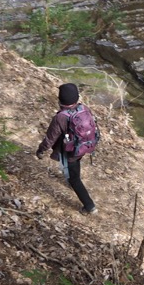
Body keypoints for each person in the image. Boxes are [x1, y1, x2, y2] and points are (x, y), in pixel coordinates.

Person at [35, 83, 98, 214]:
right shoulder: (84, 108)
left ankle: (89, 206)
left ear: (60, 100)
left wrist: (41, 150)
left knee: (74, 178)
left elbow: (50, 139)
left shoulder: (61, 117)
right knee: (76, 163)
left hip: (70, 151)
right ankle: (72, 180)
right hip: (85, 145)